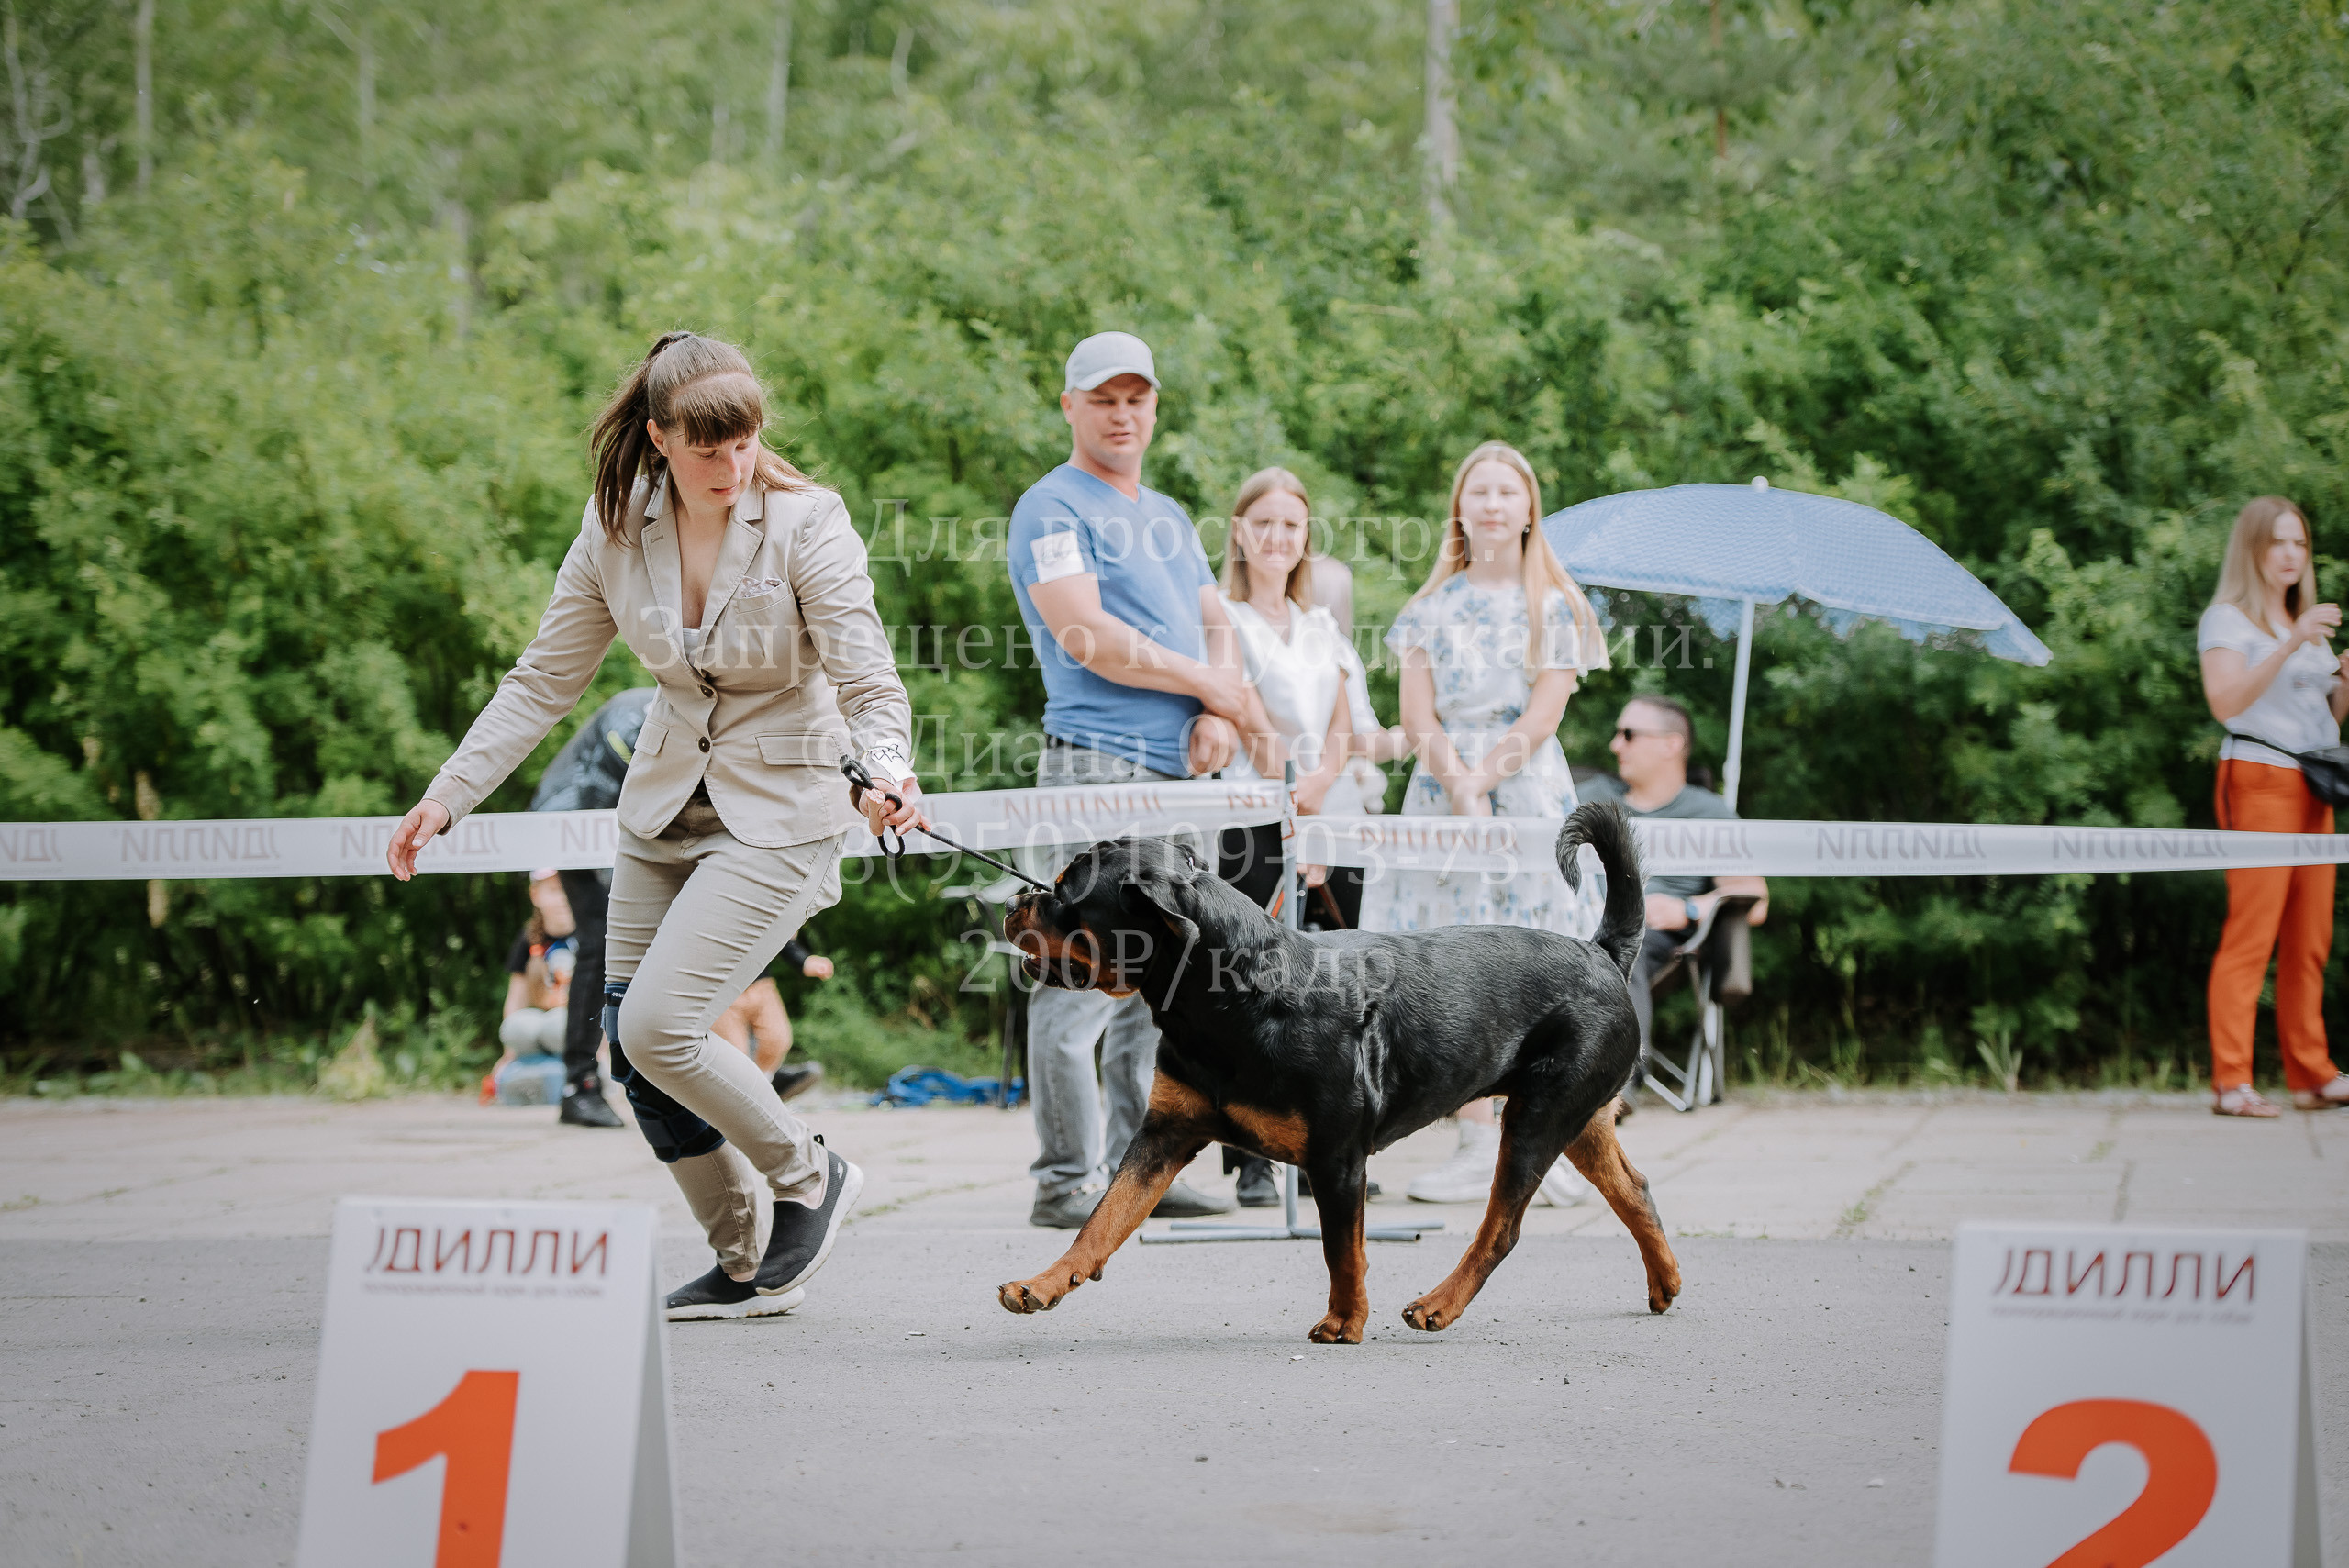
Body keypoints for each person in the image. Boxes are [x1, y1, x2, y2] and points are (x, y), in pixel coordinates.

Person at [387, 329, 923, 1321]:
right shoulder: (614, 531)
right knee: (629, 1048)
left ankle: (809, 1174)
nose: (733, 465)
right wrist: (448, 791)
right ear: (659, 436)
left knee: (658, 1025)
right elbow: (543, 679)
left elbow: (868, 677)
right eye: (707, 448)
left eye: (746, 442)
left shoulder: (809, 522)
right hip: (664, 804)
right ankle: (740, 1258)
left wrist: (887, 768)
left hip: (783, 810)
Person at [1006, 330, 1247, 1229]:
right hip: (1096, 762)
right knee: (1077, 976)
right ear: (1069, 405)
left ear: (1153, 407)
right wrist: (1209, 686)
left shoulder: (1170, 515)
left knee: (1167, 980)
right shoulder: (1051, 506)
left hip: (1182, 770)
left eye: (1135, 398)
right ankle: (1065, 1180)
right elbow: (1086, 635)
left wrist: (1220, 710)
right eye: (1102, 399)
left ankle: (1138, 1169)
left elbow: (1217, 624)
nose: (1120, 414)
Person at [1359, 440, 1610, 1207]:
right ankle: (1473, 1140)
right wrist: (1457, 784)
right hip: (1440, 792)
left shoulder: (1556, 605)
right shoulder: (1429, 608)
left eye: (1507, 491)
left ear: (1529, 507)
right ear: (1459, 508)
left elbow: (1544, 712)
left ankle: (1545, 1133)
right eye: (1480, 491)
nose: (1493, 504)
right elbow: (1416, 716)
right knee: (1453, 963)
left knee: (1537, 956)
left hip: (1526, 786)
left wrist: (1484, 778)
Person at [2199, 495, 2349, 1116]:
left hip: (2315, 783)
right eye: (2279, 541)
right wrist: (2290, 644)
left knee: (2310, 936)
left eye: (2300, 543)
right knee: (2252, 932)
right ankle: (2232, 1081)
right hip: (2259, 777)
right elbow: (2225, 701)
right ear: (2253, 548)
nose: (2291, 554)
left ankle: (2311, 1073)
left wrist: (2345, 683)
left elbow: (2325, 719)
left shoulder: (2302, 624)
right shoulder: (2228, 620)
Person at [1579, 695, 1770, 1068]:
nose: (1615, 745)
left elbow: (1755, 898)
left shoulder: (1708, 813)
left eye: (1629, 734)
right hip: (1572, 923)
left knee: (1617, 950)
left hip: (1650, 937)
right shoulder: (1592, 798)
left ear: (1671, 744)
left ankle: (1615, 1086)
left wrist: (1687, 909)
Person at [529, 685, 657, 1128]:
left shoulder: (684, 712)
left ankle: (730, 1062)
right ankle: (579, 1083)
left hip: (606, 822)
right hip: (570, 820)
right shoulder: (636, 713)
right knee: (600, 941)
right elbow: (618, 777)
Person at [486, 870, 579, 1106]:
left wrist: (601, 1051)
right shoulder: (528, 938)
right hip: (538, 1023)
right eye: (554, 891)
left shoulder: (589, 935)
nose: (563, 898)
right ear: (535, 895)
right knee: (517, 1027)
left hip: (572, 1025)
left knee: (560, 1025)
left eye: (567, 889)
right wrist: (508, 1053)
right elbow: (515, 999)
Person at [711, 935, 833, 1102]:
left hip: (761, 982)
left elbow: (778, 932)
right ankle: (737, 1096)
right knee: (734, 1055)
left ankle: (765, 1086)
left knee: (777, 1038)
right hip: (720, 987)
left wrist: (803, 960)